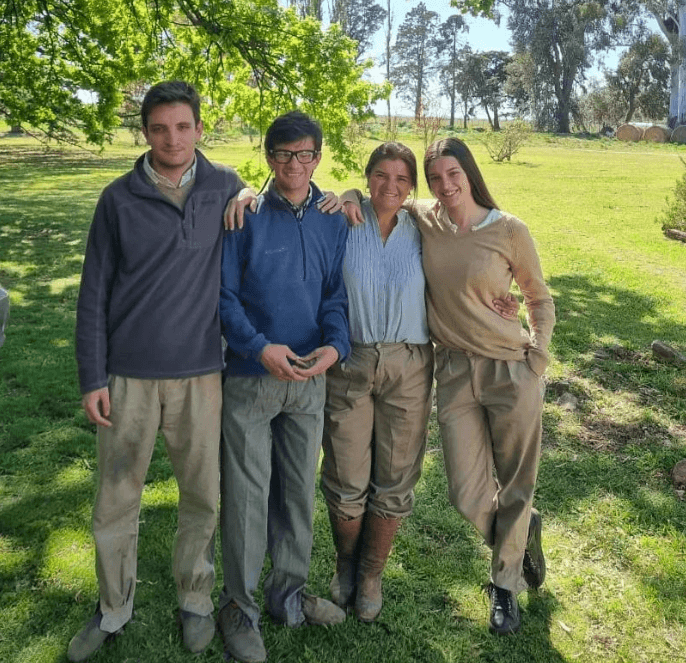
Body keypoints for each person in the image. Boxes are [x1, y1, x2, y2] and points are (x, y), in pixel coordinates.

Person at [348, 137, 553, 634]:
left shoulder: (508, 230)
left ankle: (504, 587)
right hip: (456, 370)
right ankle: (521, 535)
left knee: (516, 481)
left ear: (469, 172)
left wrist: (537, 357)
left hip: (510, 369)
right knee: (466, 493)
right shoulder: (427, 220)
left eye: (453, 174)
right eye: (435, 177)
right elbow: (381, 194)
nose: (445, 185)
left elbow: (538, 298)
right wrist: (352, 197)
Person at [70, 81, 244, 661]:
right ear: (145, 133)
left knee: (203, 497)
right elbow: (92, 294)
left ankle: (195, 600)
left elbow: (290, 197)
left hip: (201, 375)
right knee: (117, 500)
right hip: (128, 378)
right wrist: (92, 376)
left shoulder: (227, 187)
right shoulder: (117, 199)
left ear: (200, 128)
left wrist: (345, 193)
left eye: (183, 126)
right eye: (160, 128)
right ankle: (113, 606)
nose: (173, 138)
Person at [218, 110, 351, 663]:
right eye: (282, 155)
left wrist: (335, 347)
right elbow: (224, 298)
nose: (294, 166)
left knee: (297, 494)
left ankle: (288, 594)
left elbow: (334, 298)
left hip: (308, 381)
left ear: (318, 157)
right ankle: (240, 609)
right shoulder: (244, 215)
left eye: (304, 155)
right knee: (248, 499)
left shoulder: (332, 218)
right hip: (253, 378)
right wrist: (257, 347)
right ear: (268, 159)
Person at [319, 142, 434, 623]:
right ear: (366, 178)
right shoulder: (343, 218)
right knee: (346, 470)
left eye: (402, 179)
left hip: (409, 363)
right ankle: (345, 566)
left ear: (412, 187)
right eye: (381, 176)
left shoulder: (427, 227)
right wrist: (343, 193)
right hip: (351, 360)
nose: (391, 186)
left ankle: (371, 574)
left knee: (395, 473)